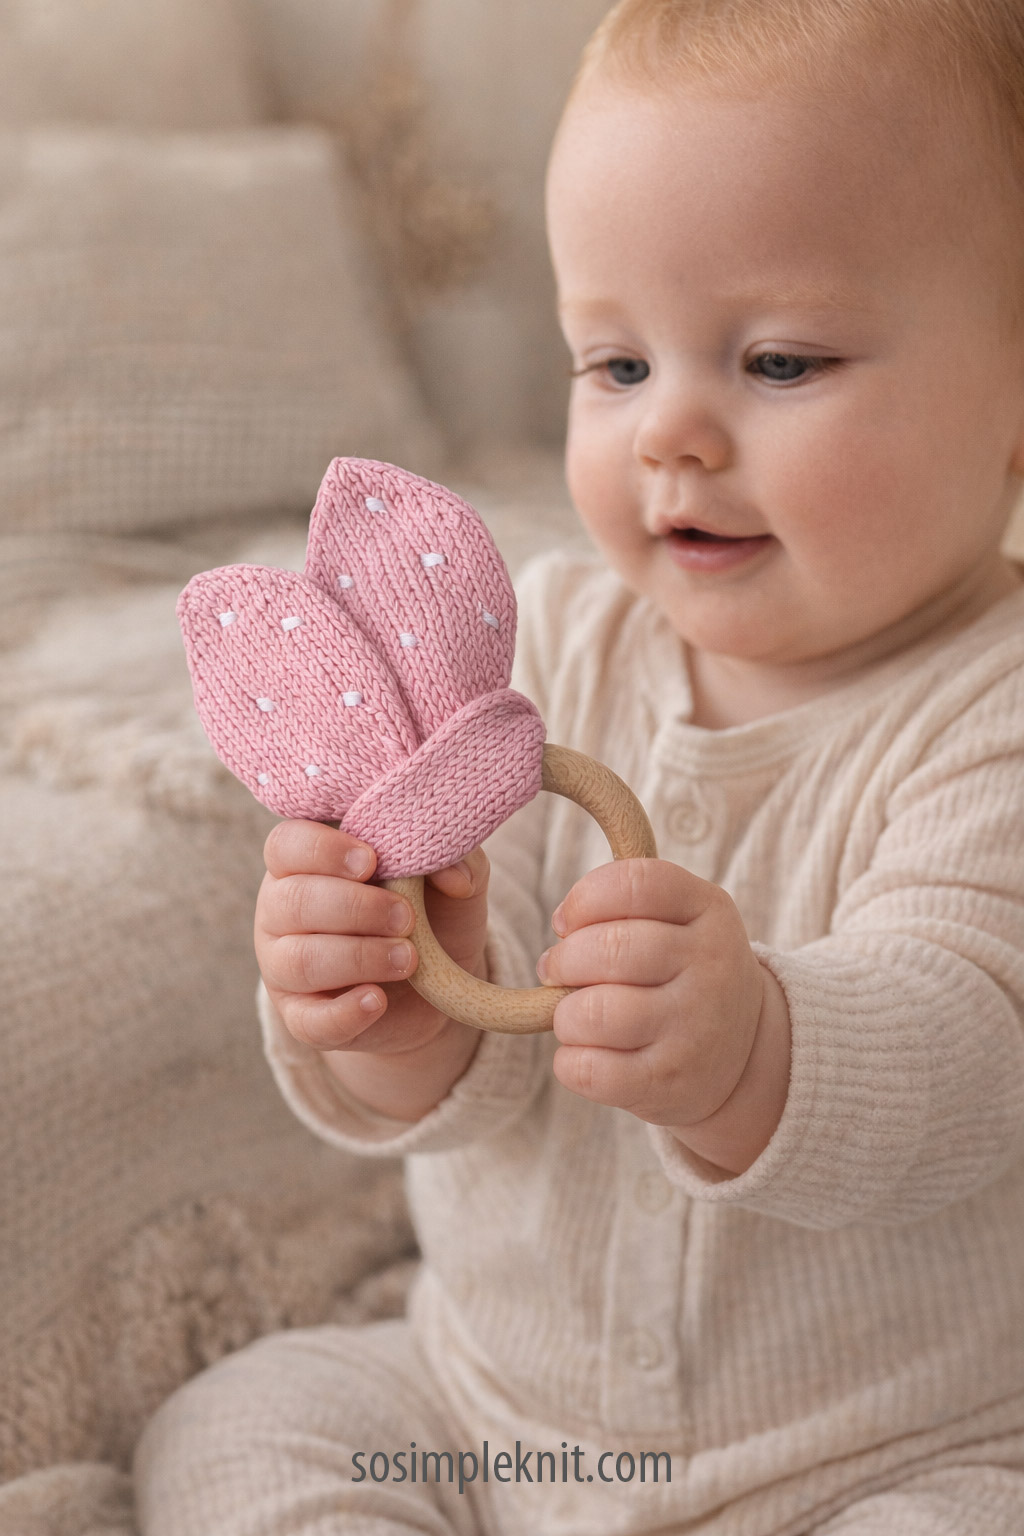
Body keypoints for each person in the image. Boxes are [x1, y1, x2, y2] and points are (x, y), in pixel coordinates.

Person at [134, 1, 1024, 1530]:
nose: (671, 433)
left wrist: (756, 1051)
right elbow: (470, 1075)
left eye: (781, 359)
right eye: (613, 363)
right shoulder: (534, 647)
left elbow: (972, 1051)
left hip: (877, 1449)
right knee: (236, 1427)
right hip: (493, 1416)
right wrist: (387, 1002)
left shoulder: (994, 709)